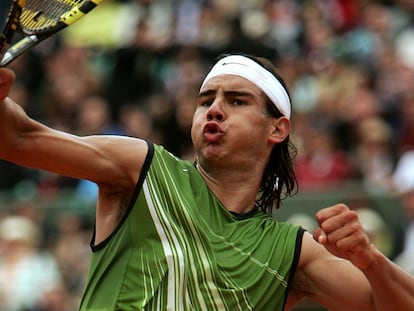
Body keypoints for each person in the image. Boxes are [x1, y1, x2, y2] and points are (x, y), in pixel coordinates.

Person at [1, 54, 414, 311]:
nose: (214, 109)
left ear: (278, 129)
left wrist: (370, 261)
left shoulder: (291, 252)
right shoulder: (139, 169)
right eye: (205, 100)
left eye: (237, 101)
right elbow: (19, 138)